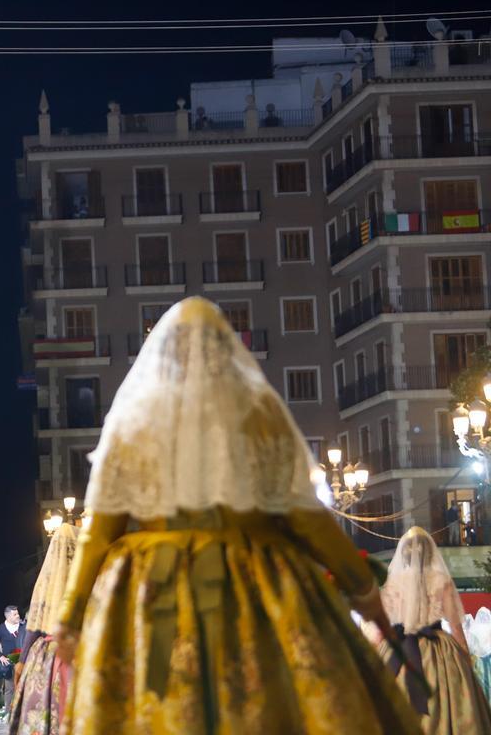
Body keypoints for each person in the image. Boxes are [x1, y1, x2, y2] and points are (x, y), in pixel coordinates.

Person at [54, 297, 422, 734]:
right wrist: (363, 591)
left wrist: (71, 614)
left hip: (154, 588)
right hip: (257, 580)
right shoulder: (258, 415)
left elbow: (99, 530)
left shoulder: (132, 422)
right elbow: (308, 517)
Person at [370, 526, 491, 732]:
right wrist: (465, 658)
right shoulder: (441, 580)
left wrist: (373, 652)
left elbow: (382, 624)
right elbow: (455, 626)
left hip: (399, 649)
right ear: (430, 551)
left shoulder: (394, 581)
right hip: (439, 650)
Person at [8, 522, 77, 735]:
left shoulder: (46, 584)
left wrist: (22, 662)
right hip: (81, 653)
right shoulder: (87, 579)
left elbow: (34, 626)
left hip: (48, 658)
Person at [0, 604, 23, 713]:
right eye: (15, 614)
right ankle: (8, 714)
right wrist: (0, 656)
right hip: (9, 664)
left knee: (23, 687)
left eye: (18, 613)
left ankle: (21, 713)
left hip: (23, 662)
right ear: (8, 616)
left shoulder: (23, 627)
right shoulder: (0, 629)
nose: (18, 616)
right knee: (9, 689)